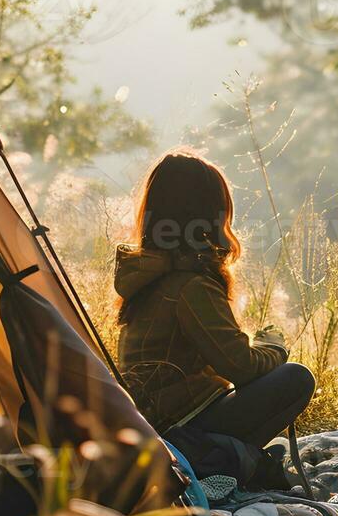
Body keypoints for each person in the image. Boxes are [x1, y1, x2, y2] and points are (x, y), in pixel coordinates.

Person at [114, 150, 314, 489]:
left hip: (157, 423)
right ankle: (218, 461)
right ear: (207, 217)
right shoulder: (192, 285)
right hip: (184, 430)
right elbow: (242, 367)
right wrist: (275, 346)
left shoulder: (147, 274)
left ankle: (228, 458)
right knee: (296, 378)